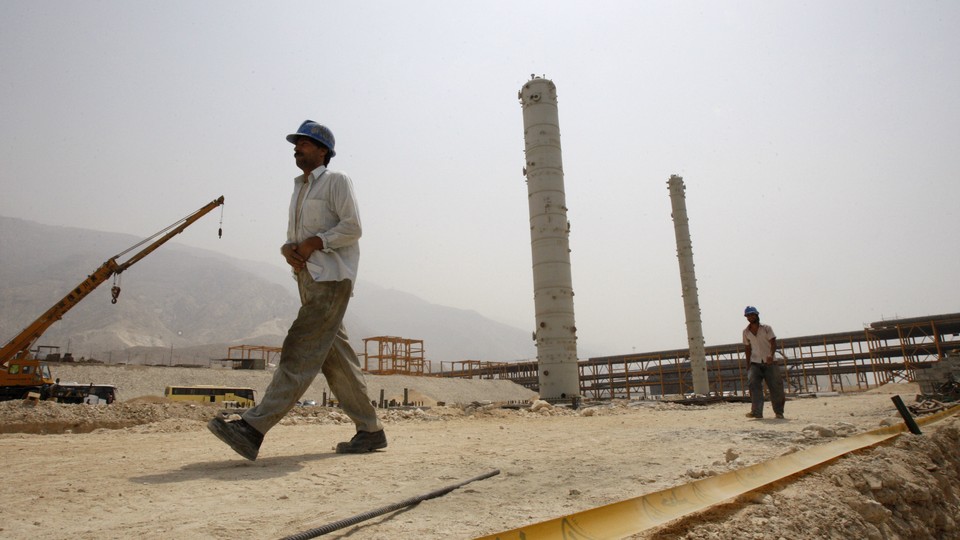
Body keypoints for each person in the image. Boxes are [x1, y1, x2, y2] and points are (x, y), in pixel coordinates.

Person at [208, 120, 386, 460]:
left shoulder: (336, 181)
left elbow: (352, 227)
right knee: (338, 363)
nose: (296, 147)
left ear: (323, 151)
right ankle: (370, 431)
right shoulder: (300, 189)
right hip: (310, 280)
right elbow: (297, 237)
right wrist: (288, 248)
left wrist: (315, 242)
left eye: (304, 143)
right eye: (296, 143)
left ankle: (253, 428)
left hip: (332, 279)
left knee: (299, 349)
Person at [742, 305, 785, 419]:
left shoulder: (766, 328)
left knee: (775, 387)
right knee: (753, 385)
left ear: (757, 315)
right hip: (755, 363)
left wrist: (771, 355)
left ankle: (779, 412)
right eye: (748, 315)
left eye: (752, 315)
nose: (750, 317)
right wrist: (748, 365)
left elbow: (773, 343)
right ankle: (757, 412)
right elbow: (747, 348)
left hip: (770, 363)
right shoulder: (746, 332)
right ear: (746, 317)